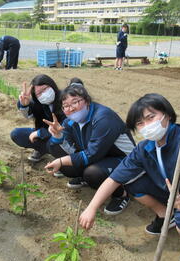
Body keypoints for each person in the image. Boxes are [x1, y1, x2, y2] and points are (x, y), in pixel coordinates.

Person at [79, 93, 180, 261]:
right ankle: (166, 214)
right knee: (132, 181)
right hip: (175, 194)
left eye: (151, 117)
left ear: (167, 115)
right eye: (140, 123)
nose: (147, 126)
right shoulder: (145, 148)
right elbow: (114, 178)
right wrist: (91, 208)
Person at [44, 82, 136, 215]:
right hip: (100, 156)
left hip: (123, 159)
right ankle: (86, 177)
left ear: (87, 100)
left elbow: (92, 154)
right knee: (63, 162)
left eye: (75, 102)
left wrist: (62, 160)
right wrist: (58, 136)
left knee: (92, 173)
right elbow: (69, 149)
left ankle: (121, 194)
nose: (70, 109)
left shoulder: (103, 117)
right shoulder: (70, 121)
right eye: (65, 106)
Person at [10, 74, 65, 166]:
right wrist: (24, 105)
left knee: (53, 140)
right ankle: (41, 149)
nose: (44, 94)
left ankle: (63, 161)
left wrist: (40, 133)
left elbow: (66, 129)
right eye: (39, 93)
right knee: (17, 134)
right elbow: (29, 116)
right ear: (35, 96)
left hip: (63, 137)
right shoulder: (38, 103)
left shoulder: (65, 99)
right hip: (47, 135)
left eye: (45, 89)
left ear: (52, 85)